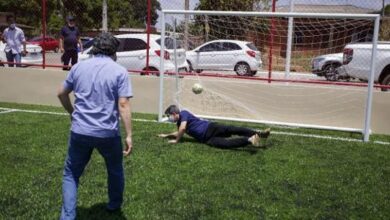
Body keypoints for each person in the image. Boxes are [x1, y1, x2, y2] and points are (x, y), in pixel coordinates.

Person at [57, 32, 132, 219]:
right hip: (108, 133)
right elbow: (123, 104)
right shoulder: (119, 71)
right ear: (113, 51)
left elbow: (61, 94)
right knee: (115, 170)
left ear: (95, 48)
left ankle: (67, 216)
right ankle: (114, 205)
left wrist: (72, 113)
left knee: (71, 174)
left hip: (80, 131)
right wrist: (129, 135)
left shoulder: (78, 68)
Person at [158, 105, 271, 149]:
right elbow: (179, 131)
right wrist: (166, 135)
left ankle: (259, 133)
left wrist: (176, 141)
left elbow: (182, 130)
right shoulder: (179, 123)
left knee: (232, 129)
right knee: (226, 144)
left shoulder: (184, 114)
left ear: (174, 114)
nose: (169, 118)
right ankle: (250, 140)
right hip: (207, 139)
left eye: (169, 116)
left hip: (211, 127)